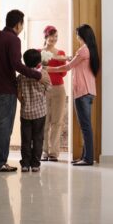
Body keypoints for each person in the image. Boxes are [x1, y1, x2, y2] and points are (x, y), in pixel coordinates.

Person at [0, 9, 49, 172]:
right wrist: (37, 75)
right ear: (18, 24)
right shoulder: (13, 40)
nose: (22, 28)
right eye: (22, 24)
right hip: (6, 89)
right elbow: (17, 65)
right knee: (4, 127)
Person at [47, 24, 99, 166]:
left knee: (85, 127)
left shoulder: (83, 50)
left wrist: (47, 68)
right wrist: (68, 57)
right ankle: (85, 156)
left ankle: (87, 159)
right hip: (89, 92)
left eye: (77, 34)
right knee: (85, 126)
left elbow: (66, 67)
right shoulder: (89, 50)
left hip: (82, 92)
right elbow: (73, 62)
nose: (76, 37)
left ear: (81, 36)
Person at [17, 49, 51, 172]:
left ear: (24, 62)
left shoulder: (21, 76)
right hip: (40, 113)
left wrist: (24, 103)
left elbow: (19, 94)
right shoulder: (43, 74)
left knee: (26, 139)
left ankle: (25, 164)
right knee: (38, 138)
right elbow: (48, 89)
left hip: (26, 113)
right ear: (38, 62)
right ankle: (35, 164)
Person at [41, 25, 67, 162]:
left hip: (59, 90)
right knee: (44, 122)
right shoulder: (39, 52)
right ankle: (44, 152)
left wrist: (49, 68)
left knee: (57, 122)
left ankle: (54, 153)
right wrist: (56, 66)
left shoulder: (60, 53)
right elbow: (40, 70)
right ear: (46, 36)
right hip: (44, 89)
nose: (54, 39)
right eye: (52, 36)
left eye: (56, 36)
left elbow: (64, 72)